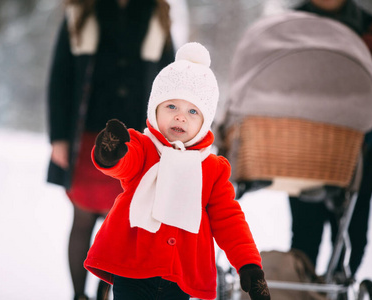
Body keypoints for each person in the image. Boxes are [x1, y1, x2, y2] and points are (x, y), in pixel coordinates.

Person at [84, 42, 271, 300]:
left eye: (192, 111)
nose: (180, 117)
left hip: (180, 278)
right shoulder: (144, 146)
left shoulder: (212, 169)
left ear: (205, 122)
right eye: (171, 106)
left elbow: (229, 219)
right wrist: (111, 154)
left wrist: (248, 263)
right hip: (133, 270)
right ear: (155, 109)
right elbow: (126, 163)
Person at [46, 1, 175, 299]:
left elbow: (170, 81)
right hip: (89, 139)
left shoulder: (156, 13)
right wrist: (59, 138)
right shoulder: (80, 12)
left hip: (135, 144)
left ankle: (104, 293)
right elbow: (60, 78)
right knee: (83, 219)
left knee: (124, 226)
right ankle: (79, 295)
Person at [289, 0, 372, 277]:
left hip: (360, 148)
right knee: (305, 236)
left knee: (354, 238)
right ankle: (304, 290)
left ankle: (339, 283)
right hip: (304, 148)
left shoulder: (369, 25)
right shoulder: (290, 26)